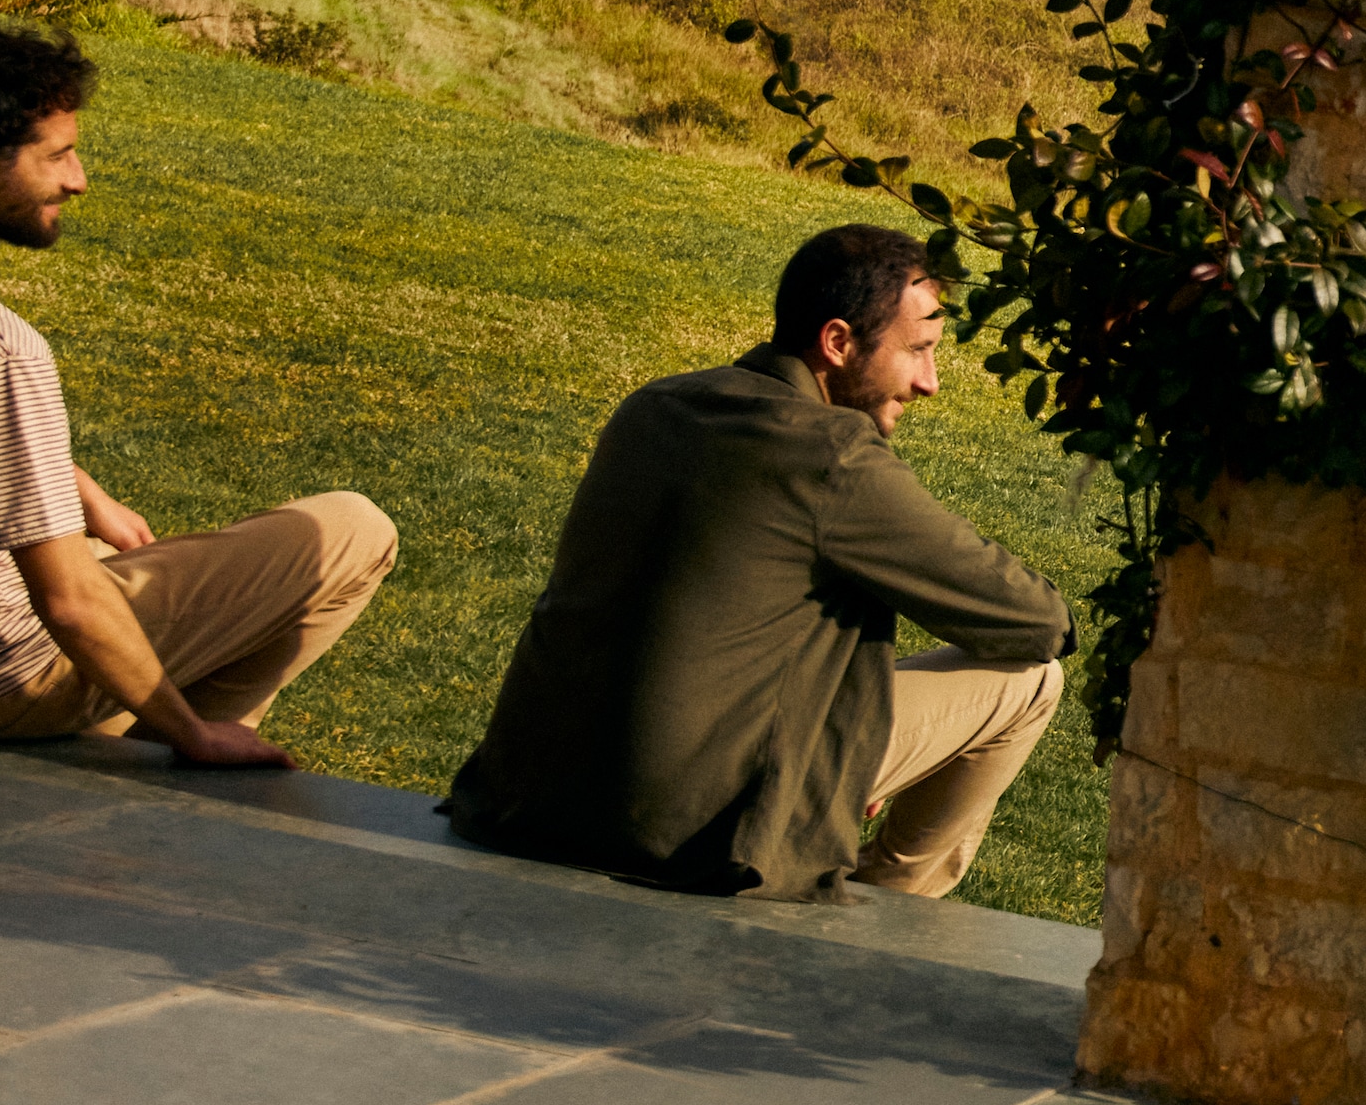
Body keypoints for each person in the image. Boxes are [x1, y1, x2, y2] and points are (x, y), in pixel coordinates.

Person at [446, 223, 1071, 900]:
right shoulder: (830, 455)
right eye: (917, 350)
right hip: (693, 829)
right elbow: (1032, 621)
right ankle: (888, 918)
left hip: (527, 799)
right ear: (837, 343)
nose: (931, 382)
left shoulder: (652, 406)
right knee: (1035, 681)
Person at [0, 21, 396, 767]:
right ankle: (179, 745)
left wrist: (80, 489)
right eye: (57, 156)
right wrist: (190, 731)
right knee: (350, 531)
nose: (78, 180)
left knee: (105, 542)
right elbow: (69, 604)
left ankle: (141, 730)